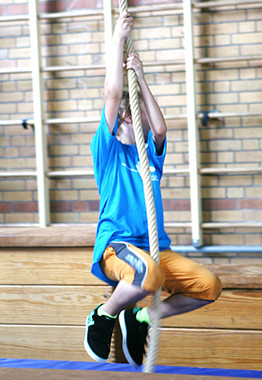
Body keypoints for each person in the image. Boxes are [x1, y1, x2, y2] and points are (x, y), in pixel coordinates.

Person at [84, 11, 222, 368]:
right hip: (118, 247)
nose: (144, 116)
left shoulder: (149, 157)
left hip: (154, 251)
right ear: (126, 119)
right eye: (137, 112)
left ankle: (141, 318)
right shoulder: (108, 151)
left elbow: (160, 128)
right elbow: (113, 93)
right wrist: (117, 41)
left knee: (209, 286)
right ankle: (104, 314)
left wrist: (141, 79)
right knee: (149, 275)